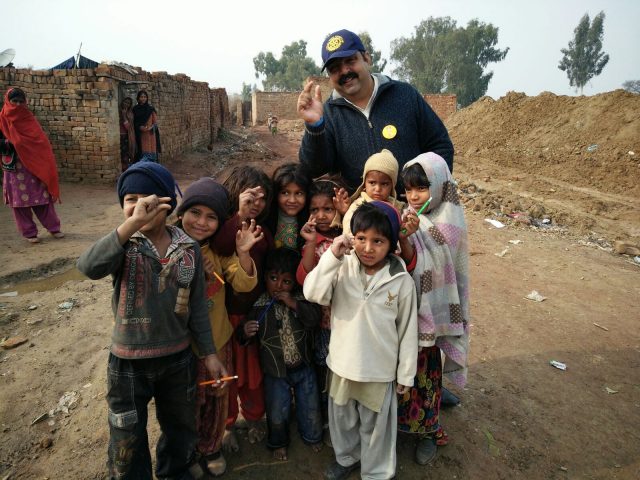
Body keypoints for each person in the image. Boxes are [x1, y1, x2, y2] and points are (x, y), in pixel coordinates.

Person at [76, 162, 227, 479]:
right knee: (126, 435)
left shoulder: (187, 248)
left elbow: (197, 306)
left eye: (148, 199)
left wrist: (210, 354)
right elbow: (88, 267)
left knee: (180, 428)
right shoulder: (123, 246)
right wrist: (128, 227)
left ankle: (174, 472)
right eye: (130, 199)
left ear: (167, 205)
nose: (139, 207)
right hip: (128, 364)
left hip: (177, 359)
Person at [303, 201, 418, 480]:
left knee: (376, 427)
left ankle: (376, 472)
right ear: (352, 237)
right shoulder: (342, 266)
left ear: (391, 244)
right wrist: (332, 254)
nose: (368, 248)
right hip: (342, 363)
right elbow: (312, 293)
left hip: (378, 371)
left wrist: (406, 373)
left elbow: (407, 330)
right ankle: (346, 458)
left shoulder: (400, 280)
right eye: (362, 239)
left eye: (378, 241)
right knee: (342, 419)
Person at [297, 29, 454, 195]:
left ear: (367, 58)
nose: (344, 71)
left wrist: (427, 195)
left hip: (414, 214)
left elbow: (440, 146)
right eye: (335, 68)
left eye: (350, 61)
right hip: (362, 216)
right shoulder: (329, 114)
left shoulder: (405, 95)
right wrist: (314, 126)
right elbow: (313, 170)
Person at [175, 177, 261, 476]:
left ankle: (211, 447)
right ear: (181, 213)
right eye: (195, 213)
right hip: (181, 348)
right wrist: (191, 268)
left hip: (218, 341)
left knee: (216, 400)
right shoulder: (167, 248)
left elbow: (241, 279)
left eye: (211, 217)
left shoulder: (216, 253)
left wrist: (244, 253)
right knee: (186, 406)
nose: (201, 222)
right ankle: (187, 455)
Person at [397, 152, 470, 465]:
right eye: (409, 189)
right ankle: (400, 427)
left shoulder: (449, 224)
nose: (414, 196)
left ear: (440, 186)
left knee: (426, 378)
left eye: (422, 189)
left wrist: (411, 238)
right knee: (401, 375)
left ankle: (429, 432)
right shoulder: (408, 215)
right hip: (405, 315)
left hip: (432, 314)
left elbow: (436, 260)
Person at [239, 247, 323, 460]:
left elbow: (313, 319)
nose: (278, 285)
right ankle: (278, 442)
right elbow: (243, 333)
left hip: (304, 367)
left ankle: (312, 436)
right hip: (275, 372)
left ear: (295, 282)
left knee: (310, 407)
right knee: (277, 410)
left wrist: (293, 303)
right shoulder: (259, 305)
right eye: (273, 278)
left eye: (286, 281)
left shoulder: (301, 299)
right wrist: (245, 330)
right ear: (265, 277)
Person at [212, 165, 274, 451]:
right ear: (234, 194)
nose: (256, 205)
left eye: (261, 199)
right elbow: (223, 245)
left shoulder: (261, 230)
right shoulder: (224, 225)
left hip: (252, 312)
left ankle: (253, 417)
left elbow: (270, 256)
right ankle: (225, 425)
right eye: (250, 197)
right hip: (223, 315)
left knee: (252, 375)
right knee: (227, 375)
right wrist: (238, 216)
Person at [296, 174, 348, 432]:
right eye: (314, 210)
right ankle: (325, 419)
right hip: (324, 323)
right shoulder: (313, 241)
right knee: (323, 370)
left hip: (348, 322)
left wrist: (347, 215)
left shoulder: (348, 237)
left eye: (328, 209)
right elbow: (304, 277)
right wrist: (310, 243)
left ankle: (340, 418)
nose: (321, 215)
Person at [0, 87, 64, 244]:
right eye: (14, 101)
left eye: (21, 102)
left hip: (35, 167)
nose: (18, 105)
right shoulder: (2, 121)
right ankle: (29, 233)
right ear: (8, 101)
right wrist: (12, 143)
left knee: (42, 198)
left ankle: (54, 228)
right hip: (16, 168)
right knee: (19, 203)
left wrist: (30, 147)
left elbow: (41, 142)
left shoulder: (29, 119)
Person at [341, 149, 404, 236]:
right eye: (372, 183)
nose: (377, 189)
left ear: (392, 186)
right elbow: (348, 233)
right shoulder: (357, 206)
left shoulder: (399, 207)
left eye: (384, 184)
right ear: (364, 183)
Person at [267, 162, 310, 251]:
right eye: (285, 193)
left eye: (299, 193)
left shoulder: (312, 218)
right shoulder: (267, 216)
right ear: (276, 193)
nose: (292, 200)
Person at [132, 90, 161, 162]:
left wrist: (150, 128)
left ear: (147, 98)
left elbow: (155, 122)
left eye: (145, 97)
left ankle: (152, 167)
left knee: (151, 151)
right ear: (138, 98)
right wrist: (139, 127)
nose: (143, 98)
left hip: (150, 135)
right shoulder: (135, 109)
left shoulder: (150, 109)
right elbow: (134, 122)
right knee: (142, 151)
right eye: (141, 97)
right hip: (140, 135)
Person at [119, 97, 136, 171]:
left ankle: (125, 170)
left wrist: (124, 116)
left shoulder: (130, 114)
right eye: (125, 102)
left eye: (128, 103)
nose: (126, 104)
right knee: (120, 154)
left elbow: (128, 127)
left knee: (125, 154)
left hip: (126, 136)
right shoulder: (117, 111)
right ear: (122, 102)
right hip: (118, 136)